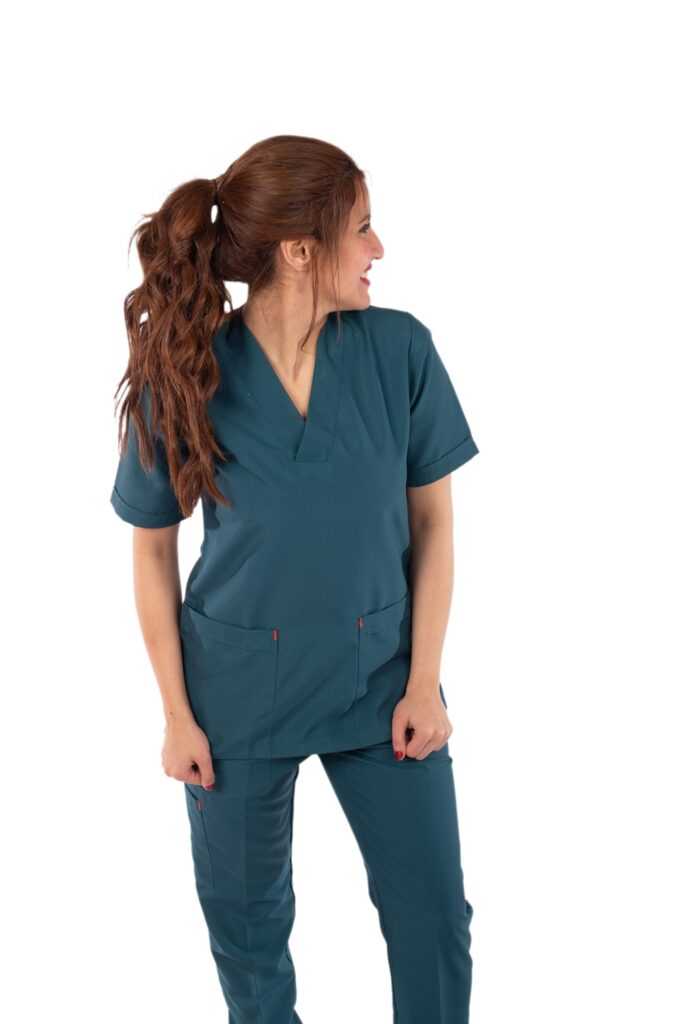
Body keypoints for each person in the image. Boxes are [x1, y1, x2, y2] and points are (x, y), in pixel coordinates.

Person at [110, 134, 478, 1023]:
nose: (378, 248)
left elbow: (432, 524)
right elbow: (152, 551)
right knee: (248, 936)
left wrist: (423, 682)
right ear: (299, 250)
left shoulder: (399, 350)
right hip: (235, 696)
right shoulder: (188, 371)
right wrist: (176, 714)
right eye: (362, 228)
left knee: (432, 919)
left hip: (381, 680)